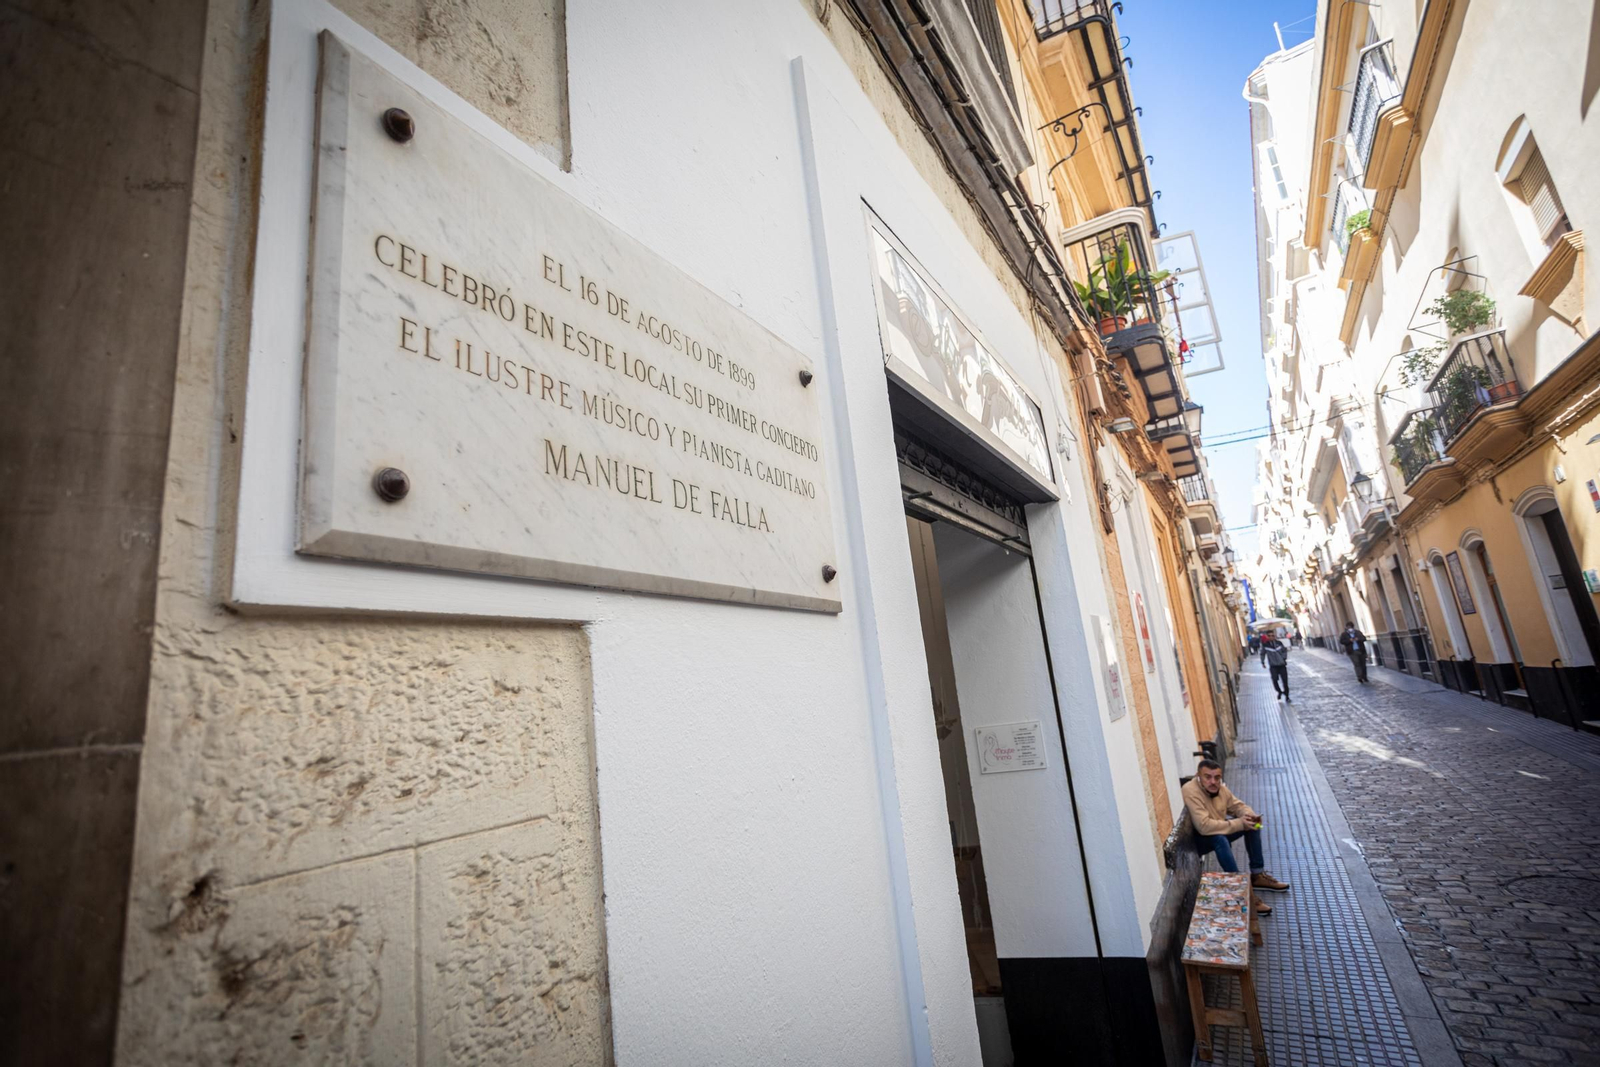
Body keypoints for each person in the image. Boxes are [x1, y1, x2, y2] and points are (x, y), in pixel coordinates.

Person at [1183, 759, 1291, 912]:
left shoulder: (1220, 789)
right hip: (1197, 841)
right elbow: (1204, 827)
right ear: (1198, 776)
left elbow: (1237, 806)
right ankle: (1241, 891)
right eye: (1207, 777)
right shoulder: (1190, 790)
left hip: (1217, 830)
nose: (1213, 782)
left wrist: (1249, 815)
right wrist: (1240, 823)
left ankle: (1257, 875)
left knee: (1252, 824)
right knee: (1220, 839)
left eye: (1217, 777)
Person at [1260, 633, 1291, 702]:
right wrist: (1262, 662)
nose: (1271, 637)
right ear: (1267, 637)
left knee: (1285, 681)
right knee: (1274, 680)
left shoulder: (1279, 643)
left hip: (1282, 665)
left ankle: (1287, 696)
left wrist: (1283, 658)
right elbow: (1262, 654)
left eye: (1273, 635)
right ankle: (1279, 691)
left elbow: (1284, 651)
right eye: (1269, 635)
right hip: (1273, 666)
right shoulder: (1265, 645)